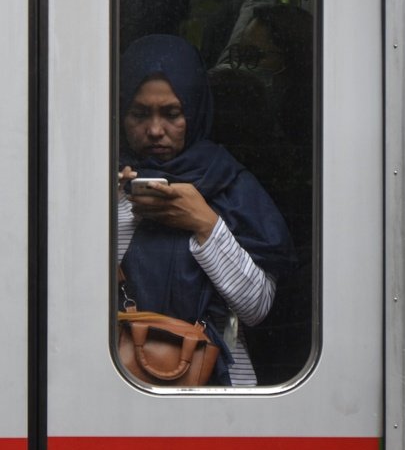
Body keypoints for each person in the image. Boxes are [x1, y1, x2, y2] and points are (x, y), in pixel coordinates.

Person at [117, 34, 294, 386]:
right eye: (139, 114)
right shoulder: (92, 185)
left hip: (219, 395)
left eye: (172, 114)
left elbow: (256, 308)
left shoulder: (229, 185)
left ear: (195, 112)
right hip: (117, 386)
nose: (155, 130)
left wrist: (204, 224)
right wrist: (118, 207)